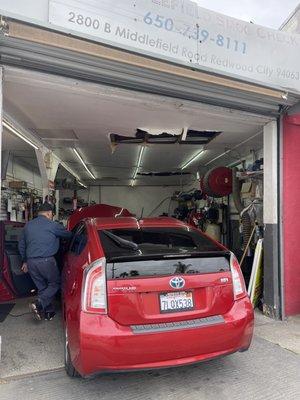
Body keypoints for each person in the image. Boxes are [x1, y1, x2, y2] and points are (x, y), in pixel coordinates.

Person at [18, 202, 72, 321]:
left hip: (31, 262)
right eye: (52, 214)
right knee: (55, 284)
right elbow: (69, 235)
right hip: (46, 261)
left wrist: (24, 261)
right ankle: (38, 303)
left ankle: (49, 313)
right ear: (49, 213)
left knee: (42, 287)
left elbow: (21, 245)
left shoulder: (27, 226)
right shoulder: (52, 225)